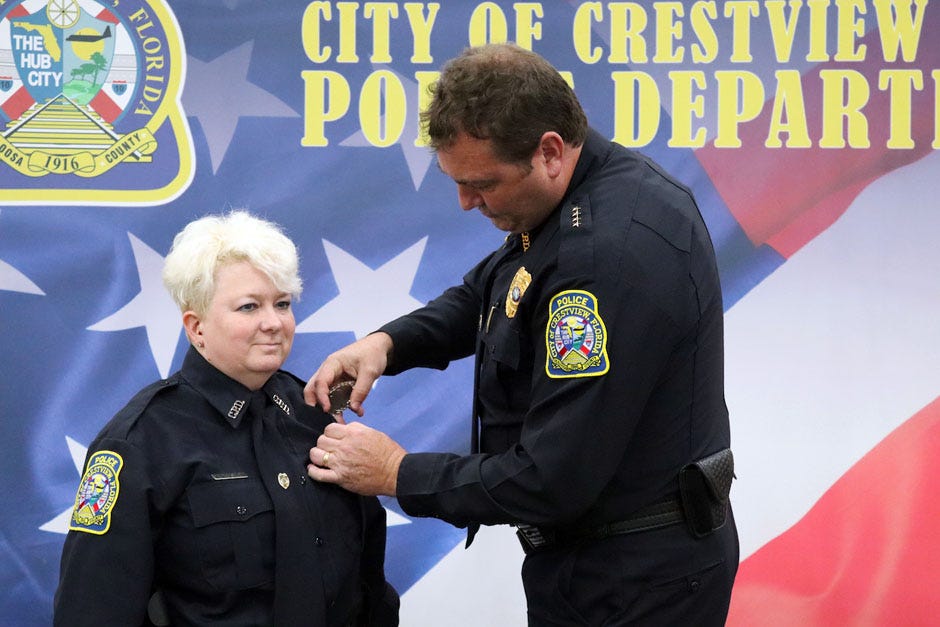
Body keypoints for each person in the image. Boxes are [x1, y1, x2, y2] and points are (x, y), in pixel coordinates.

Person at [306, 43, 738, 625]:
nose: (465, 202)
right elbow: (497, 289)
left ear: (550, 152)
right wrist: (387, 344)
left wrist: (398, 473)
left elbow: (552, 479)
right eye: (455, 181)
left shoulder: (603, 259)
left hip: (636, 580)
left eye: (481, 183)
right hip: (601, 561)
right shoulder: (581, 195)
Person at [54, 211, 399, 626]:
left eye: (282, 304)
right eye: (249, 307)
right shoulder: (139, 443)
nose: (273, 323)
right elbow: (93, 611)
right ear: (196, 327)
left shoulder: (315, 414)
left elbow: (367, 580)